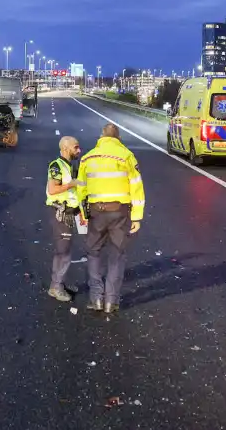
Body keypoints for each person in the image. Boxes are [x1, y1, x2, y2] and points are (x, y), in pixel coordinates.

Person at [75, 123, 144, 313]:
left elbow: (81, 188)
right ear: (118, 138)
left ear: (101, 136)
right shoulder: (126, 156)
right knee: (117, 254)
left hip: (96, 212)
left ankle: (96, 298)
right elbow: (136, 187)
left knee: (94, 252)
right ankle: (111, 302)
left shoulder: (88, 157)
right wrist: (137, 217)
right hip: (119, 212)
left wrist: (83, 211)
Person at [44, 136, 83, 302]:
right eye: (76, 147)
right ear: (66, 148)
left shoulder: (70, 166)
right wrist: (72, 184)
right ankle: (56, 287)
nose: (79, 151)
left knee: (64, 251)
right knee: (63, 253)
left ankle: (58, 283)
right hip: (60, 213)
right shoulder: (57, 166)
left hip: (69, 213)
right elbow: (53, 190)